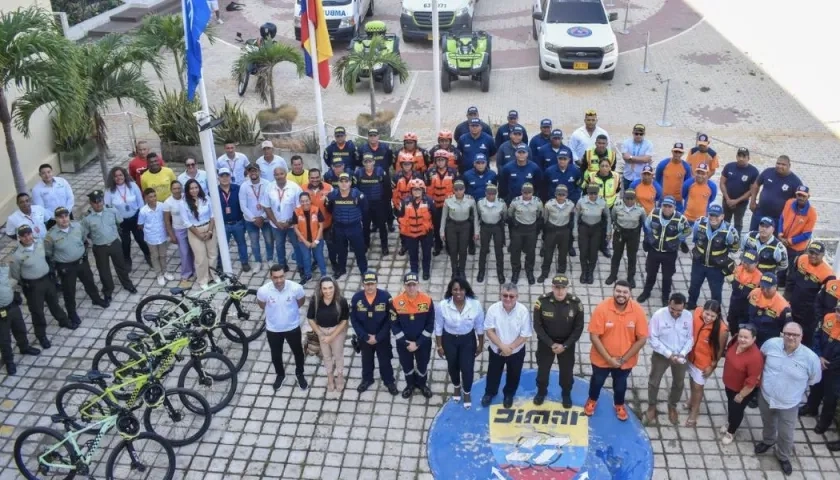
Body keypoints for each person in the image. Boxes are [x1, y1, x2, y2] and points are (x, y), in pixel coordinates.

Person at [755, 322, 821, 476]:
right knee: (767, 422)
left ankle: (783, 456)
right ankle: (768, 441)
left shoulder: (810, 359)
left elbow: (814, 380)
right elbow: (761, 359)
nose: (791, 337)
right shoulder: (770, 345)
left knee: (786, 433)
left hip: (789, 403)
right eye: (787, 333)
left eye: (795, 335)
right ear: (782, 334)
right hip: (766, 396)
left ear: (801, 337)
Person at [585, 280, 649, 421]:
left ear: (630, 294)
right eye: (618, 291)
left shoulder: (637, 311)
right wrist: (609, 359)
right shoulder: (602, 308)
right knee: (597, 382)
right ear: (613, 291)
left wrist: (623, 359)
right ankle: (592, 400)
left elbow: (642, 339)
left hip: (624, 362)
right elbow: (594, 336)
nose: (621, 295)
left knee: (620, 386)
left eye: (625, 292)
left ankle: (619, 404)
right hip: (601, 359)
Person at [44, 207, 109, 325]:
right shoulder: (51, 235)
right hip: (66, 267)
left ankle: (96, 299)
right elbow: (49, 253)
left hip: (81, 262)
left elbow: (84, 239)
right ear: (56, 219)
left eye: (66, 216)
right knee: (69, 290)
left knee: (90, 282)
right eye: (60, 217)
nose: (64, 219)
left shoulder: (77, 226)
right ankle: (72, 313)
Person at [10, 225, 71, 345]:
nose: (27, 237)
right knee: (37, 311)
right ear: (19, 238)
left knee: (54, 302)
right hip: (33, 286)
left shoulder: (39, 243)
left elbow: (47, 255)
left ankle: (63, 320)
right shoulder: (16, 255)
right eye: (24, 236)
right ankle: (41, 335)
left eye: (29, 234)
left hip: (47, 280)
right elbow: (15, 273)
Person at [533, 275, 584, 407]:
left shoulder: (576, 304)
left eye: (563, 288)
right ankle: (541, 392)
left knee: (567, 373)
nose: (560, 291)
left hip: (566, 344)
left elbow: (578, 329)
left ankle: (566, 394)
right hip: (546, 343)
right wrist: (551, 343)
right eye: (557, 288)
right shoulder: (542, 302)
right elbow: (537, 326)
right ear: (552, 287)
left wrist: (565, 345)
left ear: (568, 288)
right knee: (543, 371)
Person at [435, 277, 485, 409]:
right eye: (455, 289)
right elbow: (438, 326)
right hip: (449, 339)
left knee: (467, 369)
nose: (458, 292)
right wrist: (439, 345)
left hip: (467, 340)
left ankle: (467, 392)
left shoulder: (475, 305)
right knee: (453, 366)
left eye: (461, 289)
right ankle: (457, 387)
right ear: (450, 291)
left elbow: (479, 326)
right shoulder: (443, 306)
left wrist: (480, 344)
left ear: (466, 290)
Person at [645, 293, 693, 425]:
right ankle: (651, 406)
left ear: (684, 307)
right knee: (654, 381)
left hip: (681, 355)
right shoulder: (659, 315)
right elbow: (652, 338)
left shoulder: (688, 316)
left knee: (679, 382)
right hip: (661, 354)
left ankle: (672, 405)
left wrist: (682, 353)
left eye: (679, 310)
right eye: (673, 309)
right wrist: (668, 354)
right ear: (668, 304)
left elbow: (690, 338)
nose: (676, 313)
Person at [257, 264, 308, 391]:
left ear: (285, 275)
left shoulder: (296, 288)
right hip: (273, 329)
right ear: (270, 277)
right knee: (276, 355)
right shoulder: (263, 291)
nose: (279, 280)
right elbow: (262, 304)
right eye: (275, 278)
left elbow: (301, 301)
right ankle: (280, 375)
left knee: (298, 352)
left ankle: (299, 373)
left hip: (292, 327)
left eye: (281, 277)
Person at [482, 283, 532, 408]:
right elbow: (489, 331)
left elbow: (524, 335)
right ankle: (490, 393)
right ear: (501, 295)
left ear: (517, 297)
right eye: (505, 295)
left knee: (514, 374)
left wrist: (510, 348)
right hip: (496, 350)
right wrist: (502, 346)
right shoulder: (493, 309)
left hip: (516, 352)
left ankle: (509, 394)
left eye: (511, 296)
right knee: (493, 373)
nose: (508, 299)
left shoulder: (523, 311)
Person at [81, 190, 137, 301]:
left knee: (121, 265)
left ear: (103, 201)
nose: (98, 204)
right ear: (91, 203)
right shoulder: (87, 219)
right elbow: (84, 234)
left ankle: (127, 284)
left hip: (114, 242)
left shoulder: (112, 211)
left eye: (100, 201)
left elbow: (118, 222)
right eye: (95, 202)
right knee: (104, 270)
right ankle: (108, 290)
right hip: (100, 247)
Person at [638, 196, 691, 305]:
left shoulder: (680, 219)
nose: (667, 208)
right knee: (650, 273)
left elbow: (687, 230)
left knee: (667, 276)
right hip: (654, 251)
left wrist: (678, 240)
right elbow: (647, 226)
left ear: (674, 207)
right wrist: (649, 238)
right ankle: (646, 292)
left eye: (669, 206)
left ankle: (665, 297)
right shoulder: (654, 213)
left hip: (669, 253)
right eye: (664, 206)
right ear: (661, 206)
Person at [352, 271, 398, 395]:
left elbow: (391, 319)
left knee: (385, 360)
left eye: (372, 284)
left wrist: (378, 337)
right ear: (363, 284)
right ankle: (367, 379)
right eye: (367, 284)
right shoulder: (356, 299)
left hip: (382, 338)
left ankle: (389, 381)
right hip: (364, 338)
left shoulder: (385, 297)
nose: (370, 287)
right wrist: (365, 336)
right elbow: (354, 320)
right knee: (366, 360)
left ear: (377, 283)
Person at [390, 272, 435, 398]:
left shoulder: (427, 300)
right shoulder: (396, 302)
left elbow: (430, 324)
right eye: (408, 285)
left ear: (418, 285)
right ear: (404, 286)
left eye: (414, 285)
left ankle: (422, 384)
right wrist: (406, 343)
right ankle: (410, 385)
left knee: (422, 365)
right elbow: (394, 324)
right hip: (404, 344)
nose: (411, 288)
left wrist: (418, 343)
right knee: (406, 365)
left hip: (423, 343)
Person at [686, 204, 739, 309]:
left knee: (716, 292)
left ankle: (716, 312)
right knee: (693, 287)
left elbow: (734, 248)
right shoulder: (699, 224)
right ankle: (691, 305)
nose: (713, 218)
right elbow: (695, 239)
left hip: (717, 267)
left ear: (722, 216)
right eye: (711, 215)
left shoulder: (729, 231)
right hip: (698, 264)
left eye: (716, 216)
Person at [685, 300, 728, 427]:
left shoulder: (722, 330)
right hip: (691, 356)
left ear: (718, 315)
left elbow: (719, 351)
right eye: (706, 314)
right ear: (702, 310)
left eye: (712, 316)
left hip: (704, 363)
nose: (708, 318)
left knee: (698, 387)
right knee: (691, 380)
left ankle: (695, 411)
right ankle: (691, 400)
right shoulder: (696, 312)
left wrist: (712, 366)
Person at [804, 307, 840, 451]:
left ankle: (824, 422)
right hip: (821, 361)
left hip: (835, 370)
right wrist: (818, 356)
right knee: (816, 386)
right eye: (838, 310)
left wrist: (830, 365)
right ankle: (811, 408)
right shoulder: (828, 318)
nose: (838, 314)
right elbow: (817, 336)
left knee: (831, 397)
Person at [784, 242, 834, 346]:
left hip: (809, 312)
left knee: (805, 338)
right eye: (811, 252)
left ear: (822, 255)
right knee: (789, 331)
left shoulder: (828, 275)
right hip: (793, 304)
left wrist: (818, 316)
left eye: (817, 254)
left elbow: (825, 301)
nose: (813, 256)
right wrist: (786, 298)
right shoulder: (801, 259)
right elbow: (791, 280)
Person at [720, 324, 763, 445]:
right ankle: (730, 421)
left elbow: (752, 381)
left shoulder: (755, 357)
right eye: (741, 336)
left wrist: (741, 395)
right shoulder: (735, 341)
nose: (742, 339)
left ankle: (731, 431)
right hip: (729, 384)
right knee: (730, 405)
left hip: (742, 390)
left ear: (753, 339)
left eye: (746, 337)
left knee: (736, 411)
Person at [306, 276, 349, 393]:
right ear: (320, 289)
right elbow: (310, 318)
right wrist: (320, 334)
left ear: (335, 288)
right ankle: (330, 377)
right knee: (326, 356)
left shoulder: (341, 301)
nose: (328, 291)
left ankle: (340, 376)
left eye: (330, 288)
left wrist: (332, 336)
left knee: (338, 355)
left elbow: (344, 320)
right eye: (324, 288)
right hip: (322, 331)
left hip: (337, 331)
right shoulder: (315, 300)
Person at [104, 166, 151, 269]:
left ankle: (148, 255)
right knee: (125, 242)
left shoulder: (133, 186)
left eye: (120, 175)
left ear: (124, 175)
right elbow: (107, 208)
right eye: (115, 176)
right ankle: (127, 260)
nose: (118, 177)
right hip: (121, 221)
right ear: (112, 178)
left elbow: (140, 202)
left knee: (141, 239)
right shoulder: (109, 191)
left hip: (135, 218)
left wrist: (141, 220)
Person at [262, 166, 304, 275]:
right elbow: (266, 207)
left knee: (297, 246)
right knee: (279, 246)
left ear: (285, 174)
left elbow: (299, 208)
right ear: (273, 175)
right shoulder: (269, 188)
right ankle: (282, 266)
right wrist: (277, 223)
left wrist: (289, 222)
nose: (279, 176)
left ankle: (301, 266)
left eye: (281, 174)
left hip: (292, 224)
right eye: (276, 174)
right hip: (276, 225)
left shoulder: (294, 187)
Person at [325, 173, 368, 278]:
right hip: (339, 228)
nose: (344, 184)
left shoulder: (358, 195)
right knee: (341, 250)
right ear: (338, 183)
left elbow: (365, 208)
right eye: (341, 182)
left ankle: (363, 270)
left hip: (355, 228)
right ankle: (341, 269)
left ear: (350, 183)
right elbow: (329, 209)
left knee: (359, 250)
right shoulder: (332, 196)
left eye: (346, 181)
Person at [0, 263, 40, 375]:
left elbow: (11, 280)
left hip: (12, 306)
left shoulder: (2, 269)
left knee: (20, 329)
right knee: (4, 340)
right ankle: (9, 362)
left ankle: (24, 347)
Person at [180, 179, 218, 289]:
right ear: (187, 190)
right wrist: (199, 235)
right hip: (194, 231)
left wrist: (210, 231)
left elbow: (212, 215)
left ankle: (213, 276)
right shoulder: (183, 203)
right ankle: (203, 280)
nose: (194, 190)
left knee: (212, 254)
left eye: (196, 187)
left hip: (209, 227)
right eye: (191, 188)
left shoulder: (205, 199)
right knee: (200, 257)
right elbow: (186, 222)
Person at [749, 155, 802, 232]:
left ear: (789, 166)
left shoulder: (795, 181)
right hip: (760, 213)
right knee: (752, 235)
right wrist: (752, 201)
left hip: (778, 218)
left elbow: (800, 200)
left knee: (773, 241)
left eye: (783, 164)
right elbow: (756, 184)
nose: (780, 166)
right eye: (778, 163)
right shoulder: (768, 172)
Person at [777, 185, 817, 285]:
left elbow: (806, 234)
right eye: (799, 195)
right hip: (783, 242)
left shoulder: (812, 213)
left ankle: (788, 293)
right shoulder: (789, 203)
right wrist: (780, 233)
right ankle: (779, 286)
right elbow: (782, 218)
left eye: (803, 196)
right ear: (796, 195)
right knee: (780, 266)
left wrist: (789, 241)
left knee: (792, 271)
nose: (801, 198)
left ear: (808, 197)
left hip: (796, 248)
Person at [607, 189, 646, 287]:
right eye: (627, 198)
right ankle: (613, 275)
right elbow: (613, 218)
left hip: (633, 234)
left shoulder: (640, 209)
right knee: (616, 255)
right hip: (620, 233)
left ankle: (630, 277)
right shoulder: (617, 207)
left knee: (632, 256)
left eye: (631, 199)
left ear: (635, 199)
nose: (629, 201)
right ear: (623, 198)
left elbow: (643, 222)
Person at [583, 158, 621, 258]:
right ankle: (591, 246)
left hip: (609, 206)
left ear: (610, 167)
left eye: (607, 166)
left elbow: (617, 189)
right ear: (599, 167)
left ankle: (604, 246)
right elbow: (585, 189)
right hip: (595, 206)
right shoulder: (591, 176)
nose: (604, 168)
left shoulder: (616, 176)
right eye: (602, 166)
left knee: (606, 227)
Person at [397, 179, 435, 280]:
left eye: (419, 189)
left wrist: (433, 232)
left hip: (425, 233)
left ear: (423, 190)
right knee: (413, 254)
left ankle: (426, 270)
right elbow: (400, 217)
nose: (417, 191)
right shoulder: (404, 202)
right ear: (411, 190)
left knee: (426, 253)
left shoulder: (429, 201)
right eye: (414, 189)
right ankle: (414, 270)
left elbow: (435, 217)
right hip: (410, 234)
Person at [573, 184, 610, 285]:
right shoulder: (581, 201)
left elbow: (608, 216)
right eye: (590, 193)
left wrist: (608, 230)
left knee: (593, 252)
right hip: (584, 227)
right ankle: (584, 272)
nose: (593, 195)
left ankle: (590, 273)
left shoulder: (602, 202)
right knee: (583, 251)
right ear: (587, 193)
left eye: (595, 193)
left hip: (596, 229)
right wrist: (575, 230)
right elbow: (576, 216)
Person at [441, 180, 478, 279]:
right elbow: (444, 217)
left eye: (461, 189)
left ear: (464, 189)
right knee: (453, 250)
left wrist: (476, 232)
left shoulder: (470, 200)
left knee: (463, 250)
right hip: (452, 226)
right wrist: (442, 231)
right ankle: (454, 270)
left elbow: (475, 217)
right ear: (453, 190)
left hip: (465, 226)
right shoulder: (448, 200)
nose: (458, 192)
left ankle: (461, 270)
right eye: (456, 189)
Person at [239, 163, 273, 272]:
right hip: (250, 220)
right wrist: (254, 218)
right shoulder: (244, 186)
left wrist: (262, 217)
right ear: (248, 173)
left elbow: (270, 202)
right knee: (254, 242)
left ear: (259, 171)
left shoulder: (267, 184)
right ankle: (258, 262)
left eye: (255, 170)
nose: (253, 173)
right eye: (250, 171)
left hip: (266, 219)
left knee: (269, 240)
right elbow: (243, 205)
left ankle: (270, 259)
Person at [508, 183, 543, 285]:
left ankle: (529, 271)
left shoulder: (538, 202)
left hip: (531, 229)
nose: (527, 195)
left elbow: (539, 214)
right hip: (518, 229)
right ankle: (515, 271)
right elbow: (510, 213)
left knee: (531, 252)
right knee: (515, 251)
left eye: (529, 193)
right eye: (525, 192)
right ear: (521, 192)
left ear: (533, 192)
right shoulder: (515, 202)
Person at [354, 153, 390, 254]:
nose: (368, 163)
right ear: (363, 163)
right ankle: (366, 244)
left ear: (374, 162)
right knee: (365, 226)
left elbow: (387, 187)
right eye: (366, 162)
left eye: (370, 161)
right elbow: (355, 188)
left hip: (378, 203)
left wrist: (385, 202)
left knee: (382, 226)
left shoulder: (380, 171)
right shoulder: (358, 173)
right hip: (365, 204)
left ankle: (384, 246)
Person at [719, 147, 759, 234]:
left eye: (744, 156)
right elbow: (722, 183)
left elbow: (751, 191)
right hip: (726, 200)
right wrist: (728, 199)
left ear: (748, 158)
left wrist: (736, 201)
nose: (741, 158)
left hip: (741, 203)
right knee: (724, 221)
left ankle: (736, 241)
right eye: (739, 156)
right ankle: (723, 237)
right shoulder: (728, 166)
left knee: (738, 223)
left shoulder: (754, 171)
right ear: (736, 156)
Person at [217, 168, 250, 272]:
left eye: (227, 176)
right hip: (223, 224)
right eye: (222, 176)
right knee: (222, 245)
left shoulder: (238, 188)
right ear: (218, 178)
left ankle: (244, 262)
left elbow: (244, 204)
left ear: (230, 177)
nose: (225, 178)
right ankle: (220, 264)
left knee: (242, 243)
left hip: (237, 222)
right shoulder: (214, 191)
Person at [539, 185, 575, 281]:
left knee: (563, 253)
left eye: (563, 194)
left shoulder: (571, 205)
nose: (561, 196)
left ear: (566, 195)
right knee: (548, 253)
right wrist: (545, 230)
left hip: (564, 230)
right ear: (555, 194)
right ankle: (545, 272)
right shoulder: (549, 205)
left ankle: (561, 271)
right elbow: (545, 218)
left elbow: (572, 217)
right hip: (552, 230)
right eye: (559, 194)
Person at [163, 180, 195, 285]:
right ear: (171, 190)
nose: (177, 190)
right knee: (184, 252)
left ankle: (197, 270)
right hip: (179, 229)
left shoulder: (187, 197)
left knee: (195, 249)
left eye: (178, 188)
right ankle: (186, 274)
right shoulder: (168, 202)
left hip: (190, 227)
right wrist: (171, 235)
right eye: (174, 188)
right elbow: (167, 221)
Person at [137, 189, 172, 285]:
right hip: (151, 237)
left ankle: (165, 271)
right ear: (146, 198)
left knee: (163, 255)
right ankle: (159, 274)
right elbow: (140, 224)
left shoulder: (161, 206)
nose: (153, 199)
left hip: (162, 235)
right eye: (150, 197)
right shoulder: (143, 211)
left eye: (154, 196)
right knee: (155, 256)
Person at [748, 272, 792, 347]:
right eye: (762, 287)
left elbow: (787, 328)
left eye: (768, 288)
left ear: (775, 287)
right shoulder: (754, 293)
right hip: (750, 335)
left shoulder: (783, 306)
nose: (764, 290)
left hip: (768, 341)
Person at [426, 151, 458, 256]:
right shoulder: (429, 172)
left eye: (442, 160)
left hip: (448, 205)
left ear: (447, 161)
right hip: (435, 205)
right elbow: (425, 188)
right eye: (438, 160)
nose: (440, 162)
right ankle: (438, 245)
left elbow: (457, 188)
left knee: (449, 226)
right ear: (435, 161)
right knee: (436, 226)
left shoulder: (453, 172)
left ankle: (449, 245)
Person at [293, 192, 326, 282]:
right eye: (302, 201)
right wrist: (305, 242)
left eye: (306, 200)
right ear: (299, 202)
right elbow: (296, 229)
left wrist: (316, 241)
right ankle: (308, 275)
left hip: (317, 239)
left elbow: (321, 226)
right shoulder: (296, 212)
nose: (305, 203)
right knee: (306, 258)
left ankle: (324, 274)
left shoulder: (316, 209)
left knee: (319, 256)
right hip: (303, 241)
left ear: (310, 200)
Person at [476, 184, 506, 284]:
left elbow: (504, 215)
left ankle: (500, 273)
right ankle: (481, 272)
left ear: (496, 194)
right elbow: (478, 215)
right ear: (485, 193)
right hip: (485, 227)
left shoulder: (501, 203)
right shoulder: (480, 203)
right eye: (489, 194)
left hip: (497, 227)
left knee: (499, 251)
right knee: (483, 250)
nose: (491, 196)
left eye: (493, 194)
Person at [726, 249, 763, 329]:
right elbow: (733, 283)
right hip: (734, 304)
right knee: (732, 324)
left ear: (756, 263)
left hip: (746, 309)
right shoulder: (738, 269)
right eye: (744, 261)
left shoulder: (760, 277)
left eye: (749, 263)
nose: (745, 264)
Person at [32, 163, 74, 230]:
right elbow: (41, 208)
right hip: (52, 220)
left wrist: (66, 213)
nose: (47, 175)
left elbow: (70, 197)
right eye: (43, 173)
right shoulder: (36, 190)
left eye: (49, 172)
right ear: (40, 175)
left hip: (67, 215)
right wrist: (56, 217)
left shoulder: (62, 181)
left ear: (52, 172)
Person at [619, 124, 654, 190]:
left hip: (641, 177)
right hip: (628, 175)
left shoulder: (649, 144)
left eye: (641, 134)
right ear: (633, 133)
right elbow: (625, 158)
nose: (638, 136)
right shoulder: (626, 142)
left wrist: (631, 157)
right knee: (628, 196)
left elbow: (646, 159)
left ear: (644, 134)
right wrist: (642, 159)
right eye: (636, 133)